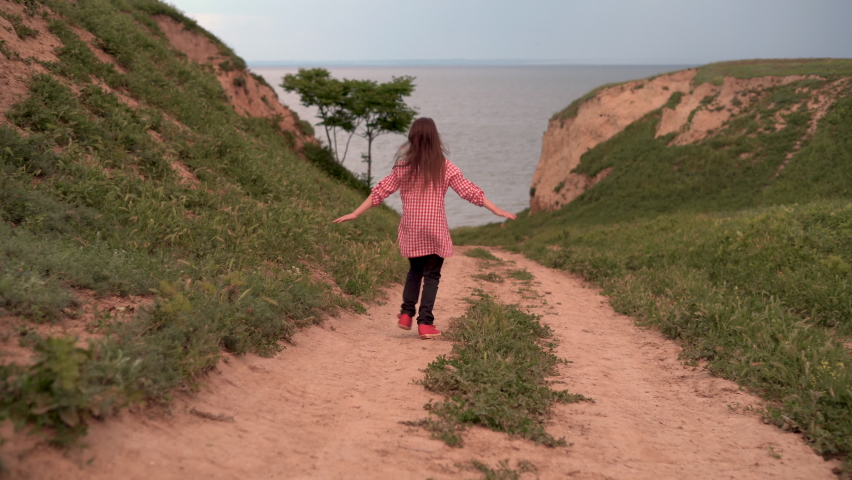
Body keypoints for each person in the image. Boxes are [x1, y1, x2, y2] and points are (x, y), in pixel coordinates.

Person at [333, 118, 516, 339]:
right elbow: (469, 192)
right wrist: (495, 209)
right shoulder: (446, 167)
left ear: (413, 139)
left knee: (415, 271)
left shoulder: (403, 168)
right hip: (435, 228)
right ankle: (425, 323)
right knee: (432, 276)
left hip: (412, 228)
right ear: (434, 139)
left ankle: (406, 313)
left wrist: (355, 212)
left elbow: (380, 191)